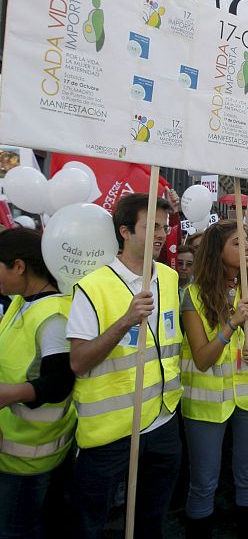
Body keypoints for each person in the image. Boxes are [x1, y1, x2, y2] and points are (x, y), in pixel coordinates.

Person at [67, 193, 183, 539]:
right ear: (125, 231)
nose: (161, 235)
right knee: (88, 522)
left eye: (164, 227)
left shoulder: (170, 278)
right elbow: (78, 361)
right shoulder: (92, 286)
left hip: (162, 421)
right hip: (110, 432)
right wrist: (124, 321)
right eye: (151, 227)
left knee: (152, 519)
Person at [180, 220, 248, 538]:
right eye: (238, 243)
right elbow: (203, 358)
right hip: (207, 403)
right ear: (217, 251)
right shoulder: (193, 295)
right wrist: (231, 324)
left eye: (247, 242)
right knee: (204, 481)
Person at [0, 228, 75, 538]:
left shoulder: (53, 316)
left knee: (18, 530)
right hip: (13, 450)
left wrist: (11, 393)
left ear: (19, 266)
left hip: (29, 458)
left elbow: (60, 382)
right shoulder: (21, 301)